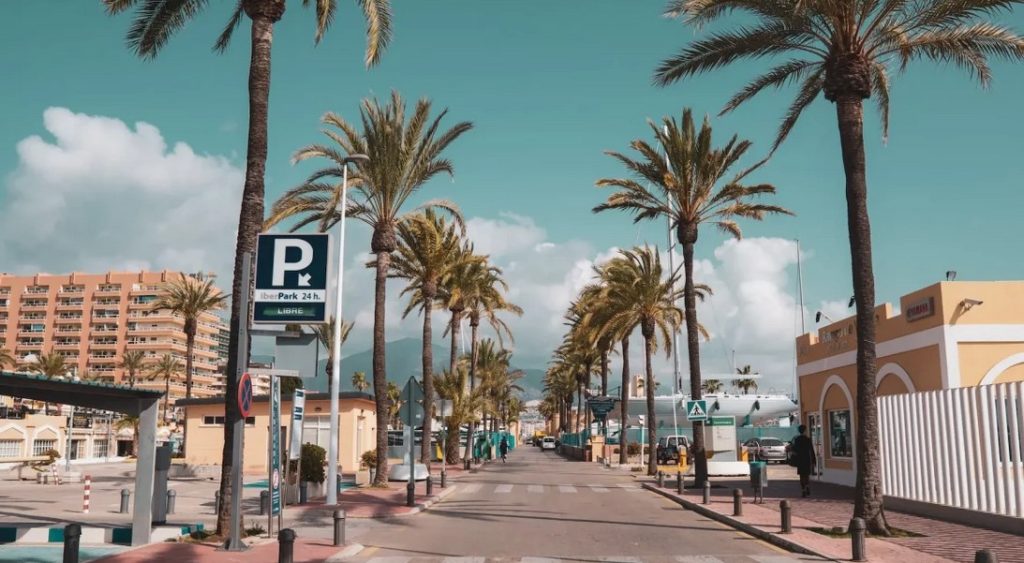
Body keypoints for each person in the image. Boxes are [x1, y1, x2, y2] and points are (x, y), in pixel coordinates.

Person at [791, 425, 817, 497]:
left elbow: (794, 450)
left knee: (801, 475)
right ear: (805, 430)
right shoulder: (808, 439)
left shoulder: (797, 439)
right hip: (806, 459)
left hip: (800, 459)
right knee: (807, 474)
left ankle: (803, 490)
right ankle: (807, 486)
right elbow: (811, 450)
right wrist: (814, 460)